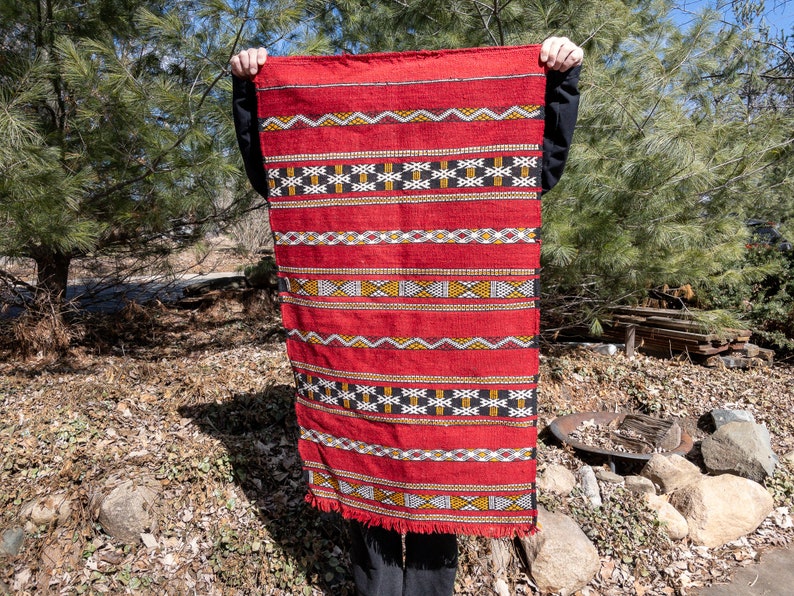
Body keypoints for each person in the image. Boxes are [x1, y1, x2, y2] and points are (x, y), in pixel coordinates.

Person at [231, 37, 583, 596]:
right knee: (367, 487)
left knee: (437, 492)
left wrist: (560, 81)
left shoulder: (480, 148)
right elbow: (277, 167)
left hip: (451, 359)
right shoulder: (333, 153)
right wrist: (250, 90)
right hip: (359, 357)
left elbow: (537, 164)